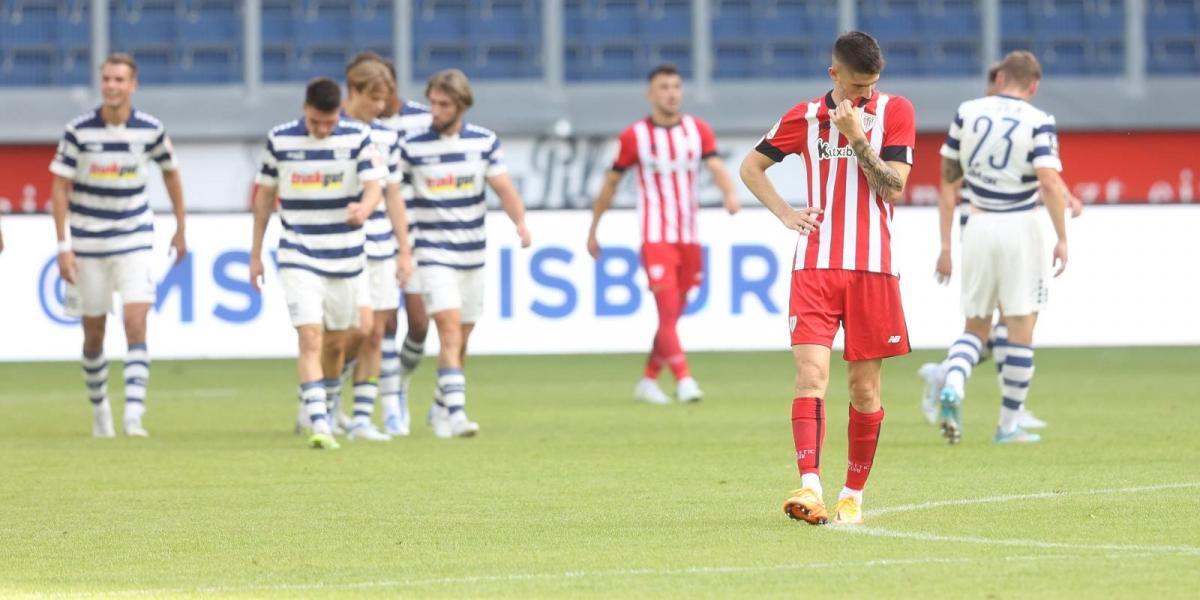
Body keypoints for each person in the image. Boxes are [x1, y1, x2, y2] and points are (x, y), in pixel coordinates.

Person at [739, 32, 916, 525]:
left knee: (864, 389)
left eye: (872, 85)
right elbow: (751, 168)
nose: (866, 94)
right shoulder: (804, 116)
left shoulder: (896, 111)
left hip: (873, 269)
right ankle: (810, 487)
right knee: (811, 376)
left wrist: (858, 138)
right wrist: (785, 213)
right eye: (857, 86)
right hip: (815, 267)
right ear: (834, 74)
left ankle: (852, 494)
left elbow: (893, 188)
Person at [917, 62, 1082, 429]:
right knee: (1019, 327)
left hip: (976, 225)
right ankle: (1009, 421)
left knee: (980, 327)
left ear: (1001, 79)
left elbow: (948, 183)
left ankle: (950, 377)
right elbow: (1046, 178)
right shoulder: (1038, 119)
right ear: (1034, 86)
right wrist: (1063, 236)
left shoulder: (968, 112)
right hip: (1019, 226)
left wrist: (946, 246)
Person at [49, 53, 187, 438]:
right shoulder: (78, 131)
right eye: (107, 79)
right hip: (88, 240)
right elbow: (59, 188)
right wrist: (63, 245)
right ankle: (100, 410)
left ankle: (134, 415)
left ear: (133, 85)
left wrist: (181, 226)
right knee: (93, 332)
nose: (112, 86)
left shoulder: (150, 130)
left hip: (134, 237)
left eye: (119, 79)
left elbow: (171, 173)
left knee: (136, 320)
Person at [585, 63, 741, 405]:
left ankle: (648, 380)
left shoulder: (698, 130)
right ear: (650, 94)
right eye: (664, 87)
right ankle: (684, 379)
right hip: (655, 236)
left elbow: (715, 165)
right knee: (667, 309)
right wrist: (594, 229)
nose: (671, 93)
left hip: (689, 236)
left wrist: (730, 193)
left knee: (672, 315)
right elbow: (610, 184)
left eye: (676, 87)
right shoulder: (634, 137)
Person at [250, 77, 387, 449]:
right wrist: (255, 253)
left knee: (340, 342)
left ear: (339, 112)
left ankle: (324, 401)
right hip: (299, 253)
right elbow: (265, 198)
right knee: (310, 337)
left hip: (346, 254)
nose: (323, 130)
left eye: (329, 122)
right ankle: (319, 424)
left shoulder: (358, 137)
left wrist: (365, 207)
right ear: (304, 109)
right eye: (315, 122)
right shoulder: (280, 140)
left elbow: (375, 186)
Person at [399, 69, 531, 438]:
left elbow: (503, 188)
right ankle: (456, 414)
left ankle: (440, 407)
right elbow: (398, 200)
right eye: (432, 103)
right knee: (449, 329)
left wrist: (520, 222)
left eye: (444, 104)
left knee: (463, 336)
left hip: (472, 252)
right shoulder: (412, 147)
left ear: (461, 105)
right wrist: (404, 248)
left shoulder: (483, 142)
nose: (435, 111)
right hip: (432, 252)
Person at [375, 55, 434, 437]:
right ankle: (389, 402)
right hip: (375, 234)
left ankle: (402, 381)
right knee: (382, 323)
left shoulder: (423, 120)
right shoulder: (361, 125)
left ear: (393, 86)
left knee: (419, 323)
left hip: (418, 234)